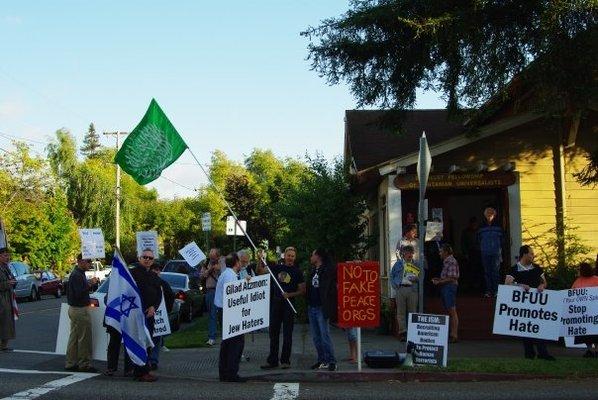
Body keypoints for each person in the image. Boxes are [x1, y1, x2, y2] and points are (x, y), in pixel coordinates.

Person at [504, 245, 555, 361]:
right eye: (531, 253)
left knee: (538, 327)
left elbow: (544, 282)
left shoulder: (537, 269)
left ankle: (543, 353)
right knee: (526, 329)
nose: (533, 256)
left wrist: (542, 285)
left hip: (537, 304)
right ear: (524, 254)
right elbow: (507, 284)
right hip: (522, 306)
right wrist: (520, 285)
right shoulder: (514, 269)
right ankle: (529, 354)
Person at [260, 246, 305, 370]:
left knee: (287, 334)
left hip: (288, 305)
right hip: (276, 303)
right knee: (273, 332)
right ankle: (272, 360)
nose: (290, 258)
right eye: (288, 255)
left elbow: (302, 290)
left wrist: (289, 295)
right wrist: (261, 259)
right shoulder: (277, 268)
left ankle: (285, 360)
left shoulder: (297, 272)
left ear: (295, 258)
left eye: (292, 256)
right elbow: (261, 271)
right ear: (284, 256)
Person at [129, 248, 163, 381]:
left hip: (150, 315)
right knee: (139, 343)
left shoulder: (154, 276)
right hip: (137, 315)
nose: (147, 260)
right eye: (145, 257)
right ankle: (140, 372)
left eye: (150, 258)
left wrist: (153, 307)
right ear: (139, 258)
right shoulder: (132, 274)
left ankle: (144, 370)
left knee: (148, 343)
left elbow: (159, 295)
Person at [215, 253, 246, 382]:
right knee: (235, 344)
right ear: (236, 262)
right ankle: (231, 373)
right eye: (240, 261)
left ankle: (225, 372)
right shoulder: (230, 276)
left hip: (224, 311)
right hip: (229, 312)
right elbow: (233, 296)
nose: (241, 264)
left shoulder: (226, 274)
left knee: (227, 343)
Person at [65, 254, 98, 373]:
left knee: (74, 337)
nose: (90, 264)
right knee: (84, 338)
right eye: (88, 261)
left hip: (74, 309)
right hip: (80, 309)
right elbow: (79, 292)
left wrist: (88, 283)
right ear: (81, 261)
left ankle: (71, 362)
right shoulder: (77, 275)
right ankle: (84, 364)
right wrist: (90, 284)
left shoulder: (77, 274)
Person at [306, 248, 337, 371]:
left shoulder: (327, 269)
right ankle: (321, 360)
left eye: (312, 255)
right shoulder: (313, 270)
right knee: (316, 336)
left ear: (318, 256)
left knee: (324, 335)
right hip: (312, 306)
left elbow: (335, 275)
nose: (311, 257)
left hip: (321, 307)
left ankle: (331, 361)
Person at [390, 245, 420, 342]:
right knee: (401, 312)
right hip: (401, 288)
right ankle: (402, 332)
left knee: (413, 311)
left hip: (412, 289)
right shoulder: (398, 264)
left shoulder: (416, 264)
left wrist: (417, 279)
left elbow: (421, 276)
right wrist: (395, 286)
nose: (410, 255)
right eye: (408, 253)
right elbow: (392, 275)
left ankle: (413, 332)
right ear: (403, 254)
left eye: (411, 253)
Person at [148, 263, 175, 370]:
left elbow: (170, 296)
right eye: (155, 269)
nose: (157, 272)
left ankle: (153, 361)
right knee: (150, 338)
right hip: (150, 314)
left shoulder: (163, 284)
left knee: (156, 338)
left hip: (159, 316)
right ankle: (150, 360)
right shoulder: (147, 282)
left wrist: (166, 311)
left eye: (158, 270)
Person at [432, 244, 459, 343]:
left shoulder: (451, 261)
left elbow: (452, 277)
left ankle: (454, 334)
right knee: (448, 309)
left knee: (452, 310)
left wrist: (439, 282)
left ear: (446, 252)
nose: (439, 253)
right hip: (446, 287)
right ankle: (451, 333)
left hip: (450, 287)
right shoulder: (446, 262)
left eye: (441, 251)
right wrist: (439, 279)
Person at [571, 262, 598, 357]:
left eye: (578, 269)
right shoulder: (577, 281)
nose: (577, 271)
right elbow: (571, 293)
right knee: (584, 333)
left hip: (594, 312)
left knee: (595, 332)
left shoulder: (596, 279)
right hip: (582, 313)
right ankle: (590, 350)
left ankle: (596, 350)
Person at [477, 207, 505, 297]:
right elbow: (478, 240)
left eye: (491, 214)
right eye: (488, 214)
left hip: (496, 253)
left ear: (494, 215)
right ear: (485, 215)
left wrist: (500, 250)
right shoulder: (481, 226)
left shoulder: (498, 226)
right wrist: (482, 248)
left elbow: (503, 240)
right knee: (487, 272)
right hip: (485, 253)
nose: (489, 215)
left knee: (495, 272)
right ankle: (488, 291)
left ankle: (496, 291)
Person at [201, 248, 222, 346]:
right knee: (212, 315)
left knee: (222, 315)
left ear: (218, 256)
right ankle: (211, 337)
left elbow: (221, 272)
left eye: (214, 257)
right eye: (210, 257)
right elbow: (202, 276)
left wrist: (216, 267)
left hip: (220, 291)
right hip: (210, 291)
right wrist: (210, 268)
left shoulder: (222, 262)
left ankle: (224, 335)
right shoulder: (206, 264)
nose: (212, 259)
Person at [0, 247, 16, 351]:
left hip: (8, 297)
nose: (7, 257)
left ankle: (4, 345)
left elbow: (11, 278)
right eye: (5, 255)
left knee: (7, 322)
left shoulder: (6, 267)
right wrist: (7, 283)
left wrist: (14, 282)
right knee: (2, 321)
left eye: (8, 255)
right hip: (1, 298)